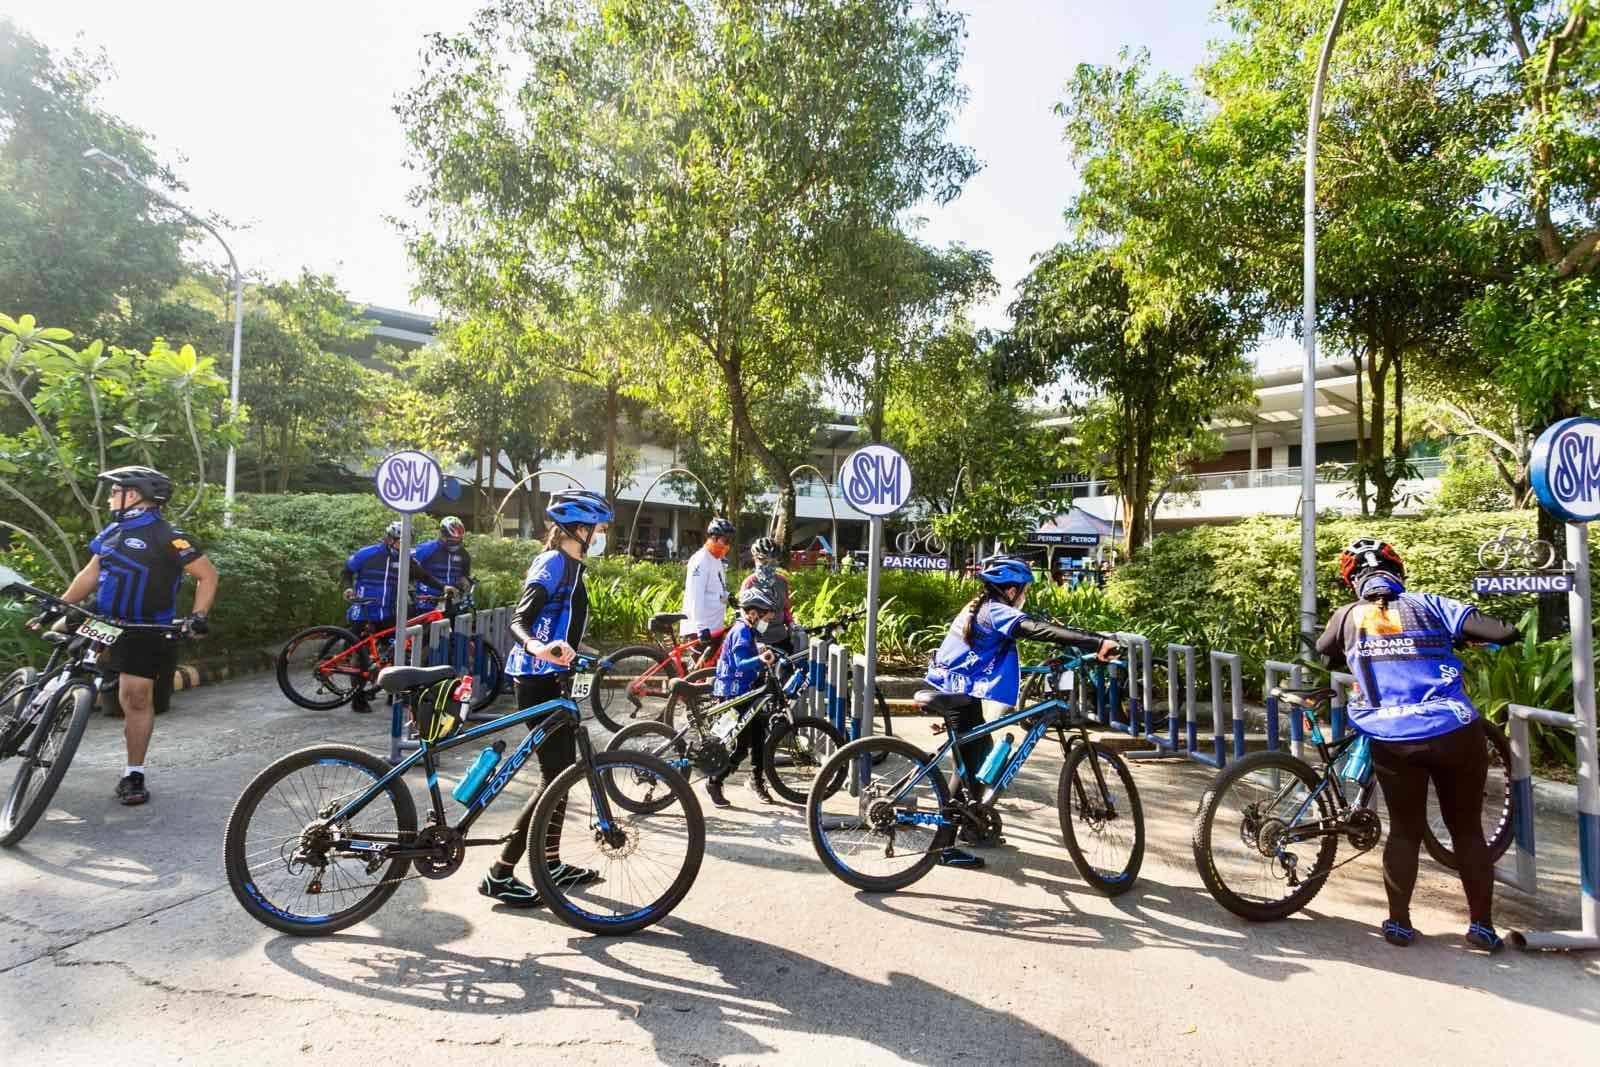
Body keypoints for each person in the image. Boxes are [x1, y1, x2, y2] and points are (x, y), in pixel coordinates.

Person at [1315, 537, 1520, 953]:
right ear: (1398, 572)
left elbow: (1323, 652)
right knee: (1466, 830)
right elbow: (1505, 632)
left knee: (1404, 832)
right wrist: (1471, 638)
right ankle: (1482, 927)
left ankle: (1399, 924)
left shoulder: (1348, 615)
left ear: (1353, 580)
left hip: (1394, 739)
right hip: (1454, 730)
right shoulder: (1432, 604)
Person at [37, 466, 217, 806]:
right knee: (60, 638)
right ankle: (30, 703)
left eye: (114, 490)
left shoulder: (170, 537)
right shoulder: (113, 532)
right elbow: (90, 574)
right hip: (104, 621)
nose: (108, 497)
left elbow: (207, 576)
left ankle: (133, 773)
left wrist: (198, 617)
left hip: (143, 628)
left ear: (132, 495)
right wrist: (61, 606)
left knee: (136, 698)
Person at [925, 554, 1117, 869]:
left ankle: (972, 824)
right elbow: (1037, 630)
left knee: (976, 758)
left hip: (957, 686)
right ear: (1012, 590)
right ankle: (942, 847)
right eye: (1024, 589)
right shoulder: (995, 611)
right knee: (973, 760)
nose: (1025, 595)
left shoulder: (982, 605)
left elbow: (1037, 626)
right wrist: (1095, 642)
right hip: (956, 690)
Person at [478, 489, 612, 908]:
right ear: (579, 529)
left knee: (561, 774)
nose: (603, 536)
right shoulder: (553, 562)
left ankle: (550, 862)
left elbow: (562, 626)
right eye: (600, 529)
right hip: (538, 678)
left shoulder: (572, 566)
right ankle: (500, 872)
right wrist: (539, 648)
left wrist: (579, 651)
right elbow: (522, 619)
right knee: (553, 779)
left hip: (556, 675)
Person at [704, 588, 784, 808]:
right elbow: (740, 663)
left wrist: (761, 652)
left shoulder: (748, 629)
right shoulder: (741, 631)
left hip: (747, 691)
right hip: (734, 695)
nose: (769, 621)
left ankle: (757, 780)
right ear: (753, 614)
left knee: (758, 736)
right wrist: (761, 659)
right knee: (740, 745)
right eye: (766, 616)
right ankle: (715, 781)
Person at [341, 521, 403, 715]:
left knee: (393, 652)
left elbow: (421, 575)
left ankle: (392, 692)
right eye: (400, 541)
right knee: (359, 654)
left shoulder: (403, 558)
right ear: (389, 539)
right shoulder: (367, 553)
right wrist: (347, 587)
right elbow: (347, 571)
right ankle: (357, 699)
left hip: (387, 612)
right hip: (363, 610)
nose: (403, 545)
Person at [681, 516, 734, 639]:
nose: (728, 545)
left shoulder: (716, 559)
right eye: (725, 541)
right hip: (700, 629)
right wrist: (700, 627)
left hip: (715, 626)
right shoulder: (701, 560)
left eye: (729, 541)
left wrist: (728, 597)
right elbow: (696, 595)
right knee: (702, 659)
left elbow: (715, 590)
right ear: (714, 538)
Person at [412, 515, 472, 605]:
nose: (454, 545)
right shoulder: (426, 549)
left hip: (452, 600)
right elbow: (407, 566)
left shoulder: (464, 554)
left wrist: (465, 582)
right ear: (442, 535)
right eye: (451, 541)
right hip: (427, 600)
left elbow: (465, 575)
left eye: (457, 541)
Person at [739, 536, 793, 626]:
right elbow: (745, 615)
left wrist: (791, 624)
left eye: (772, 562)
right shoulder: (749, 583)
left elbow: (785, 609)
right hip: (757, 636)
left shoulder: (782, 582)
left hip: (781, 634)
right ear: (755, 559)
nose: (768, 566)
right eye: (764, 562)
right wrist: (761, 625)